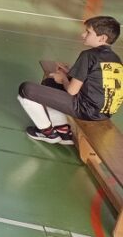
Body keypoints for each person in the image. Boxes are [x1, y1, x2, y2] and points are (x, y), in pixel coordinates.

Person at [17, 15, 123, 144]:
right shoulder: (116, 59)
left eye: (88, 32)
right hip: (104, 112)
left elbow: (72, 91)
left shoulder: (89, 55)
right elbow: (97, 82)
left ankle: (47, 133)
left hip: (86, 111)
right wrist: (70, 73)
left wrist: (63, 79)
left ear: (102, 38)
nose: (83, 35)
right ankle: (62, 130)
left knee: (26, 89)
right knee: (50, 83)